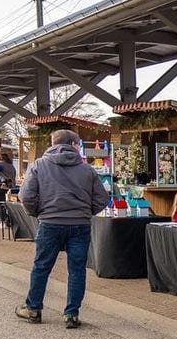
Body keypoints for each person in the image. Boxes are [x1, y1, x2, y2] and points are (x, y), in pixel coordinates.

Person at [15, 129, 110, 328]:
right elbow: (102, 198)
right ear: (74, 144)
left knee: (41, 267)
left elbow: (26, 196)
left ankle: (33, 308)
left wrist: (39, 212)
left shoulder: (39, 165)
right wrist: (85, 211)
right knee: (76, 270)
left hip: (50, 223)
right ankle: (71, 314)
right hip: (79, 224)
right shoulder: (87, 169)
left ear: (53, 143)